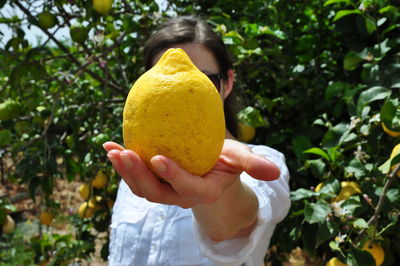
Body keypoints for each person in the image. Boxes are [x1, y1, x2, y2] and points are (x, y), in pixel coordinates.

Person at [103, 16, 290, 266]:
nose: (179, 95)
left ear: (228, 82)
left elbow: (233, 226)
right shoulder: (135, 170)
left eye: (203, 79)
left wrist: (221, 192)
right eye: (162, 81)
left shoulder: (259, 163)